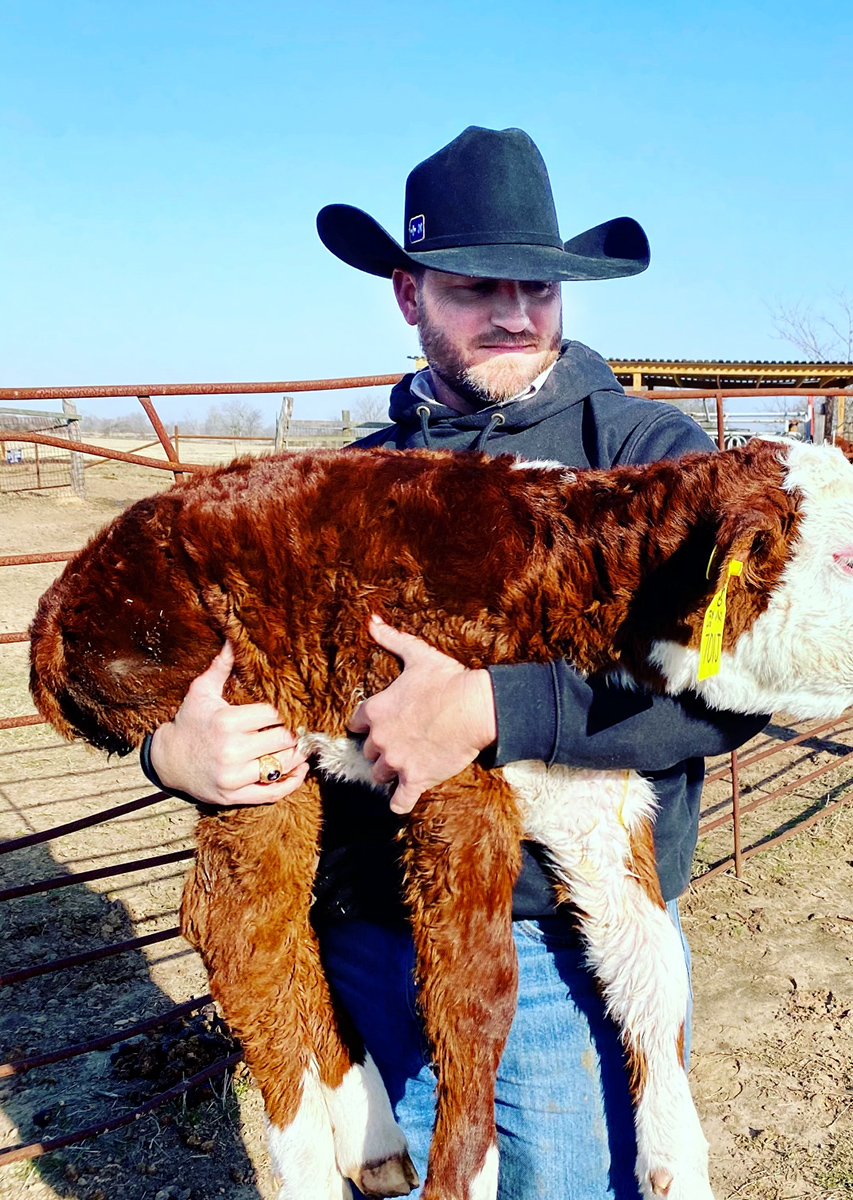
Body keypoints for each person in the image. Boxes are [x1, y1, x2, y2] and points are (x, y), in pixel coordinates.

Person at [141, 126, 768, 1199]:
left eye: (538, 283)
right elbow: (209, 642)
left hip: (553, 952)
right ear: (409, 295)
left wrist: (496, 706)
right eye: (477, 285)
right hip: (355, 943)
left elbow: (745, 672)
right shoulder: (346, 480)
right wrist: (175, 747)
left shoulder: (648, 458)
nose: (515, 312)